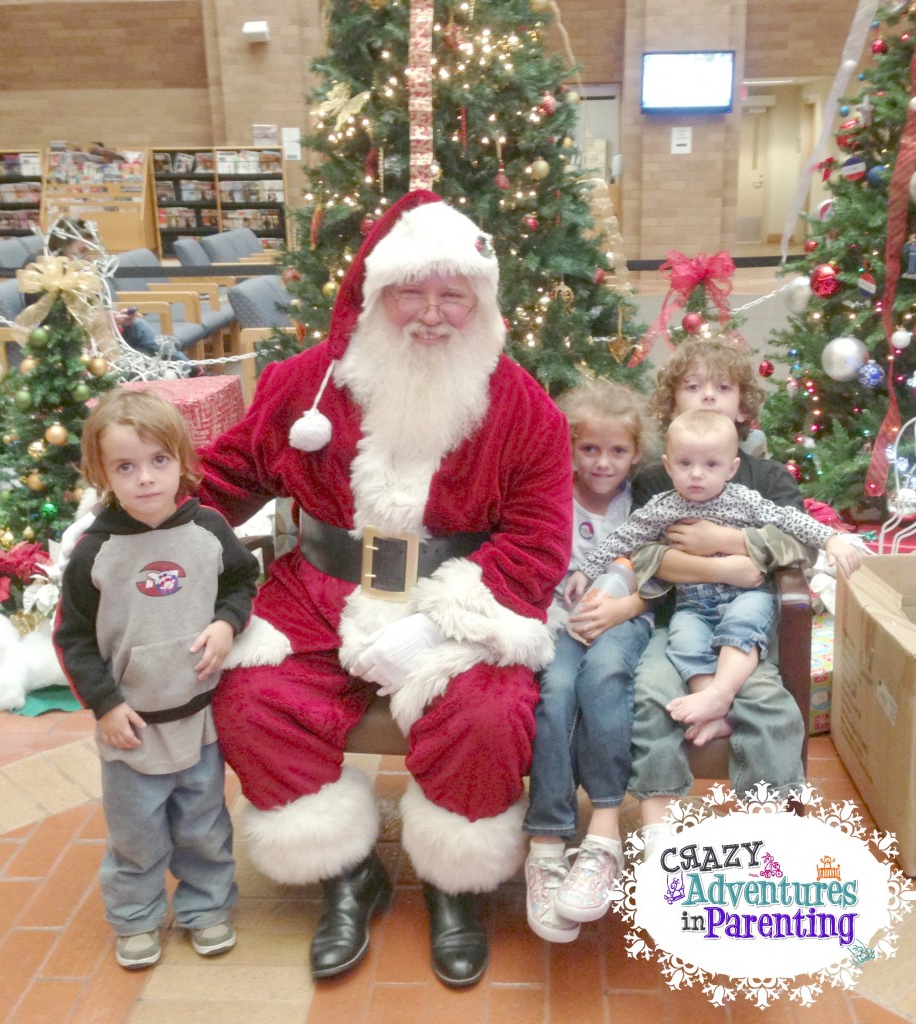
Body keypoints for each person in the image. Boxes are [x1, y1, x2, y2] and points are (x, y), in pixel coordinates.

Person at [195, 190, 573, 987]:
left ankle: (453, 884)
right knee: (251, 694)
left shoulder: (523, 408)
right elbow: (227, 476)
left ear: (480, 301)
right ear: (374, 293)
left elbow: (540, 540)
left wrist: (440, 630)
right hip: (317, 593)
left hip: (460, 602)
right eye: (412, 291)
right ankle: (346, 873)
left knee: (491, 712)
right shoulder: (310, 387)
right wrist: (142, 520)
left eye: (452, 295)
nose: (431, 315)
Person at [52, 389, 258, 970]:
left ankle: (206, 908)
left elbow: (241, 583)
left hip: (197, 722)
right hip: (132, 729)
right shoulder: (96, 552)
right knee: (136, 835)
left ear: (181, 460)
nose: (145, 479)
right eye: (125, 466)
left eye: (158, 461)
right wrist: (106, 705)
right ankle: (136, 917)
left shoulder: (210, 530)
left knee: (204, 827)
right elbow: (72, 639)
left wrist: (226, 622)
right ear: (102, 473)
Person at [624, 340, 835, 850]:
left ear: (743, 407)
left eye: (722, 388)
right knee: (650, 691)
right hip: (671, 620)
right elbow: (642, 555)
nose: (707, 397)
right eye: (692, 387)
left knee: (770, 705)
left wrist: (732, 543)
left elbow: (801, 540)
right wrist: (720, 566)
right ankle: (659, 839)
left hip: (745, 632)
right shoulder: (655, 479)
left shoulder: (765, 477)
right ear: (671, 404)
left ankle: (769, 837)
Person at [568, 407, 860, 749]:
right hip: (692, 604)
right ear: (667, 466)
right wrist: (587, 570)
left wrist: (830, 539)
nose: (696, 475)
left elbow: (790, 520)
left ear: (732, 468)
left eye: (711, 465)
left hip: (746, 595)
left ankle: (721, 693)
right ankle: (712, 709)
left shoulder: (746, 499)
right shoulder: (663, 506)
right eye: (685, 464)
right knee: (683, 643)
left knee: (742, 625)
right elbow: (624, 538)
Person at [522, 379, 657, 944]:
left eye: (618, 451)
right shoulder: (555, 493)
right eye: (590, 449)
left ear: (637, 453)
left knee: (604, 677)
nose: (603, 463)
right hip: (558, 621)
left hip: (624, 618)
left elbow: (654, 565)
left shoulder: (646, 499)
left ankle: (603, 839)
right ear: (571, 447)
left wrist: (615, 595)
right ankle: (548, 842)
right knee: (553, 692)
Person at [37, 219, 196, 369]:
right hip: (76, 348)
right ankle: (185, 366)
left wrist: (114, 318)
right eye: (82, 251)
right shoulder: (46, 279)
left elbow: (92, 311)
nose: (87, 258)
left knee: (137, 327)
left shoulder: (82, 275)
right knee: (144, 340)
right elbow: (59, 325)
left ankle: (184, 366)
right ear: (61, 249)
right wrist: (104, 321)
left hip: (100, 337)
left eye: (89, 252)